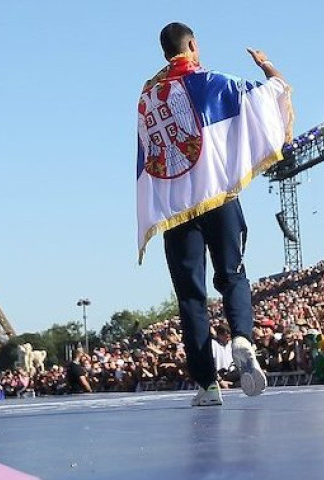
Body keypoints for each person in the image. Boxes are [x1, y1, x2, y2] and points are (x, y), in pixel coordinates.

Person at [136, 23, 293, 406]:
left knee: (190, 296)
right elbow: (270, 96)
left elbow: (148, 157)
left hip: (175, 209)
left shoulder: (149, 98)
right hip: (218, 197)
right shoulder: (212, 81)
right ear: (191, 44)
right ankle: (241, 336)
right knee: (233, 274)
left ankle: (207, 385)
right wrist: (268, 66)